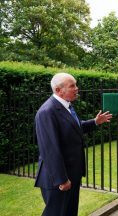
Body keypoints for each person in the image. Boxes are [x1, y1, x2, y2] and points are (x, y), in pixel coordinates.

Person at [34, 72, 112, 216]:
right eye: (72, 86)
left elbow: (74, 128)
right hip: (58, 180)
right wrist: (62, 179)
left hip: (72, 174)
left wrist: (95, 122)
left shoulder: (66, 105)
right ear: (58, 90)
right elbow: (50, 149)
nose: (77, 88)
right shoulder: (47, 111)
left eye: (75, 85)